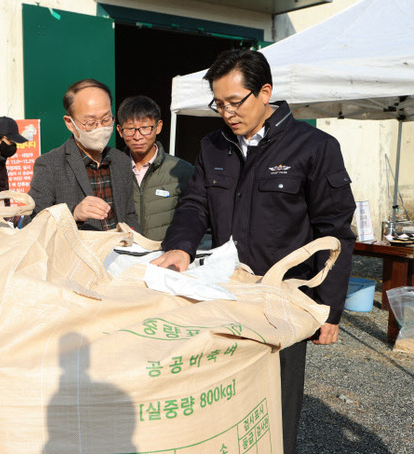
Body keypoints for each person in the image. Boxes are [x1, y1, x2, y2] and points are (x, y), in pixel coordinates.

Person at [151, 49, 356, 453]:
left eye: (235, 101)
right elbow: (195, 205)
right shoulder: (213, 147)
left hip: (283, 300)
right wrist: (179, 247)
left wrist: (329, 310)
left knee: (277, 403)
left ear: (265, 92)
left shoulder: (314, 147)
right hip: (228, 293)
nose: (227, 113)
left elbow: (334, 231)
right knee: (228, 396)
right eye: (218, 104)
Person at [28, 79, 140, 231]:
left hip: (120, 251)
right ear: (69, 123)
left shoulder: (121, 161)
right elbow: (32, 223)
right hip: (76, 253)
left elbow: (129, 214)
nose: (100, 128)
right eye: (90, 122)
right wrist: (73, 214)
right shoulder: (49, 165)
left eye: (106, 119)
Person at [116, 95, 194, 241]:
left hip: (165, 256)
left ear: (158, 127)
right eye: (130, 129)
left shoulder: (182, 171)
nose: (138, 136)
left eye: (145, 128)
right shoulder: (113, 170)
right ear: (120, 131)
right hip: (123, 257)